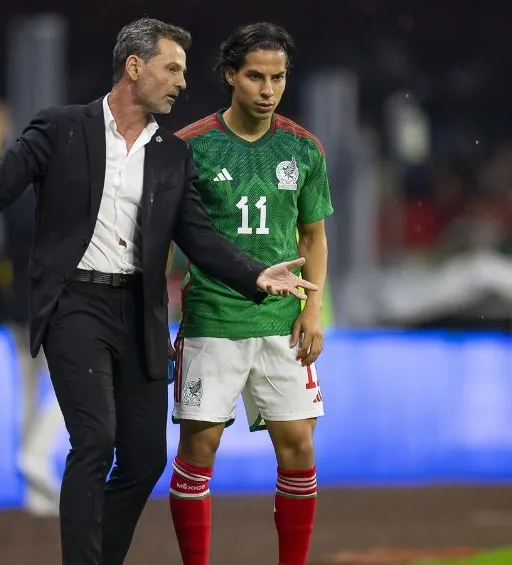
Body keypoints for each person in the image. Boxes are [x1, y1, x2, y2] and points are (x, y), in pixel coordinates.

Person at [0, 18, 318, 565]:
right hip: (75, 304)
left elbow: (197, 235)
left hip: (138, 313)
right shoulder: (60, 128)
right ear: (134, 67)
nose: (182, 83)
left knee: (145, 460)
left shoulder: (173, 154)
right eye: (173, 69)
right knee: (95, 440)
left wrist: (254, 275)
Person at [168, 23, 332, 565]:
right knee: (198, 451)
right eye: (256, 77)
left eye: (278, 77)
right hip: (212, 319)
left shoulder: (303, 148)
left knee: (299, 448)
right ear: (230, 77)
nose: (268, 89)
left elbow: (314, 236)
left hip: (282, 325)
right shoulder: (190, 146)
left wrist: (313, 310)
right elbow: (170, 236)